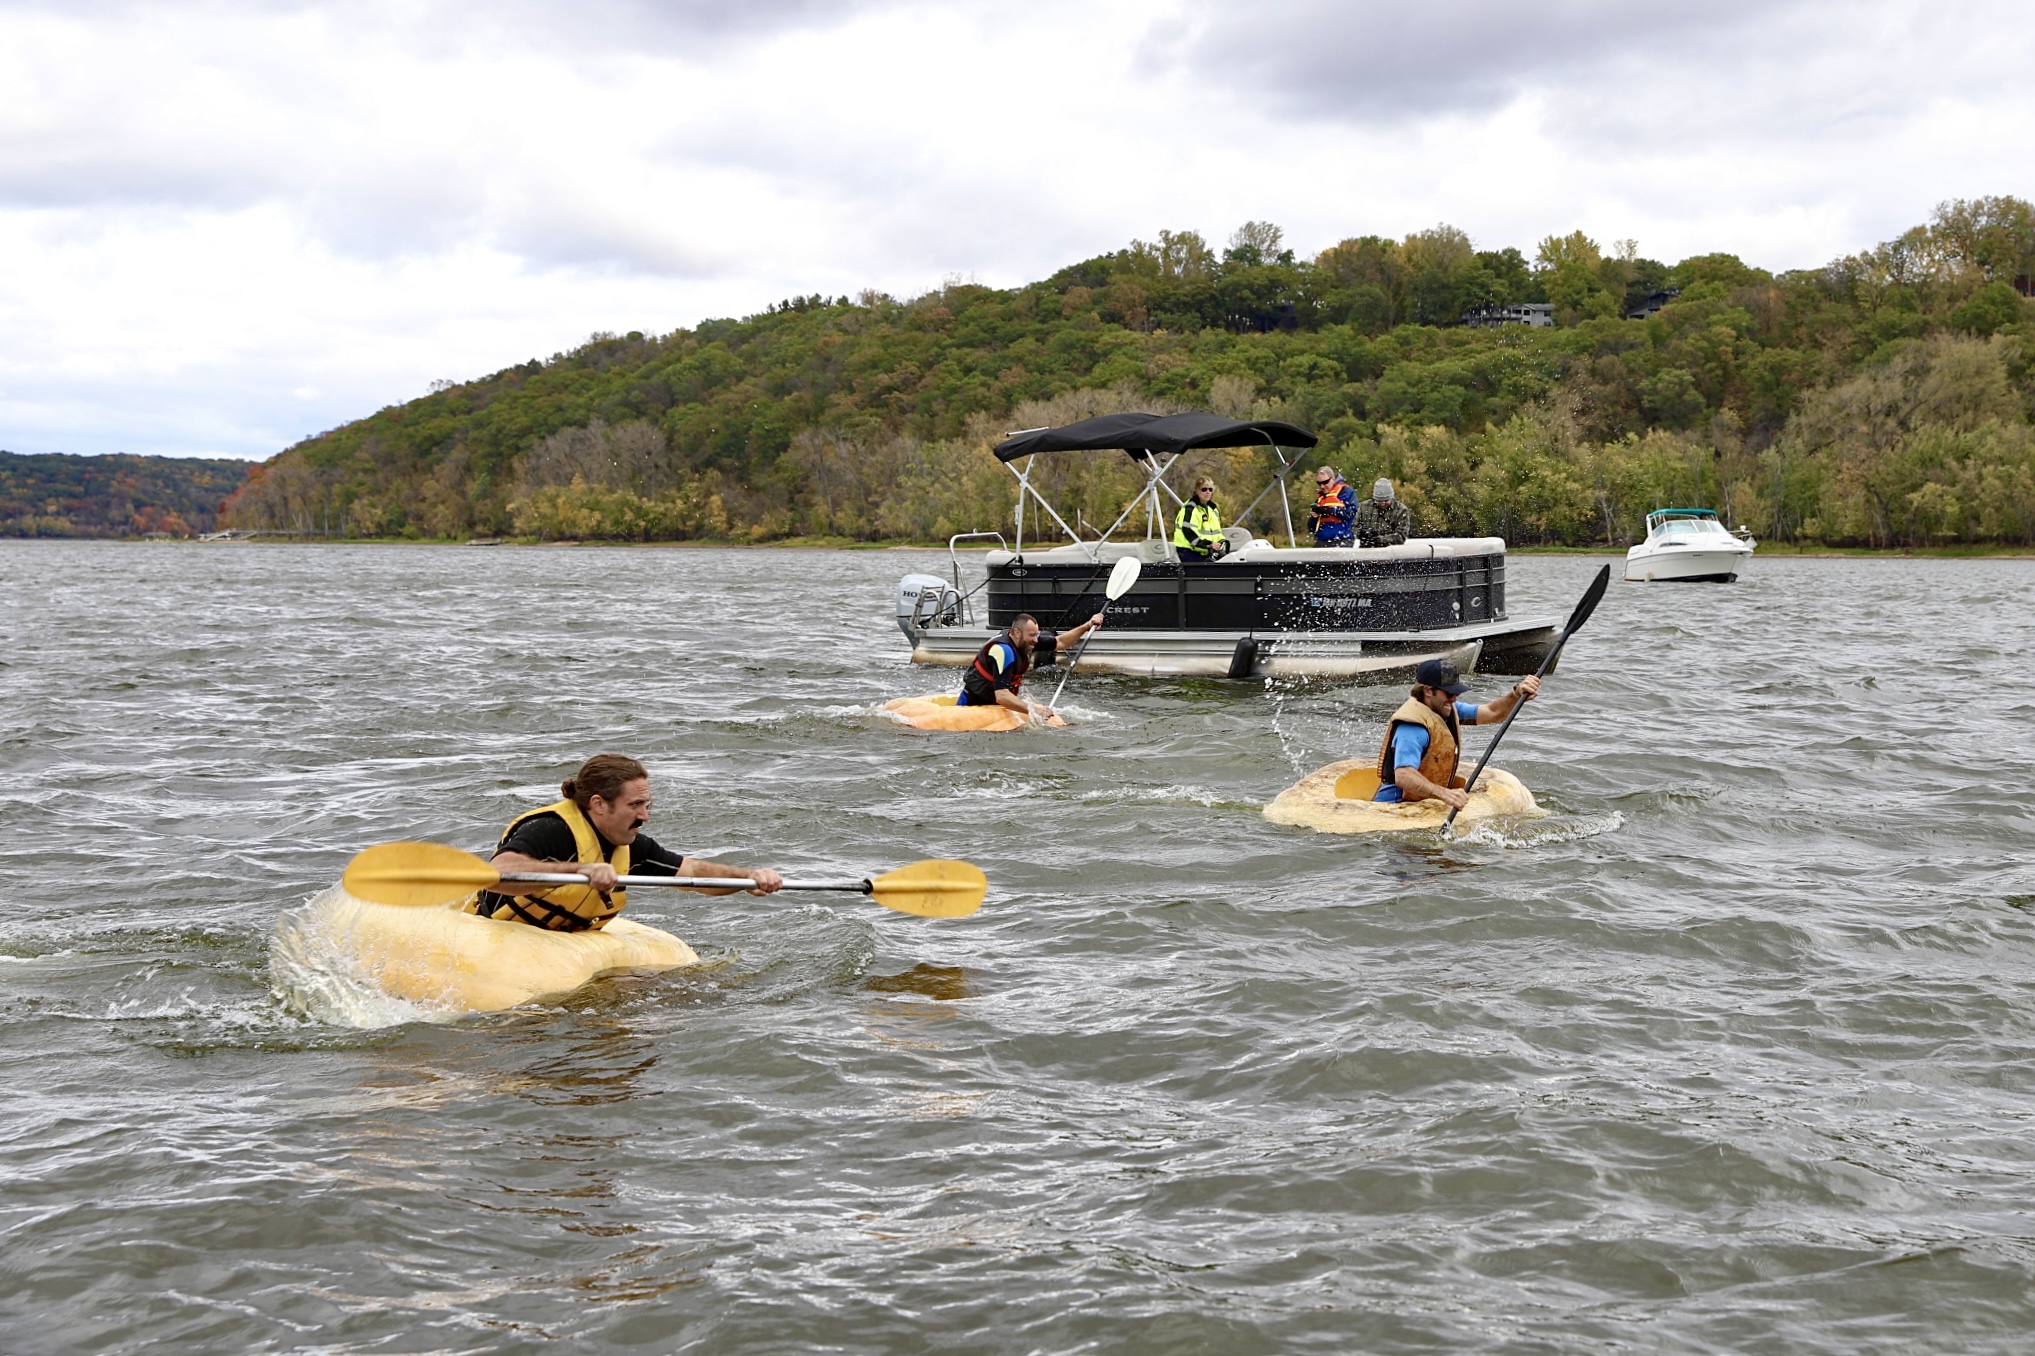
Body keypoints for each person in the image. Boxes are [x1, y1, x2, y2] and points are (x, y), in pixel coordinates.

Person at [469, 754, 783, 931]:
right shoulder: (549, 830)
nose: (645, 816)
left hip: (561, 940)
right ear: (598, 804)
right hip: (495, 930)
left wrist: (747, 878)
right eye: (635, 806)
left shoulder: (632, 846)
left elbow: (695, 874)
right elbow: (499, 873)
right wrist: (582, 869)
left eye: (648, 805)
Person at [1373, 659, 1541, 806]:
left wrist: (1516, 693)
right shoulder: (1412, 728)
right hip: (1393, 807)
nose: (1454, 698)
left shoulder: (1446, 708)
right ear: (1428, 691)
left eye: (1456, 692)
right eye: (1449, 692)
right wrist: (1444, 793)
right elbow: (1403, 776)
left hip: (1422, 803)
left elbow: (1492, 712)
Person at [958, 610, 1105, 722]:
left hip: (996, 705)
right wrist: (1033, 709)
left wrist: (1087, 626)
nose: (1036, 640)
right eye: (1032, 635)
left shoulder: (1026, 642)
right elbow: (1002, 696)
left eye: (1037, 635)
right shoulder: (1003, 651)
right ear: (1017, 633)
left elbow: (1061, 642)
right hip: (972, 706)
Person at [1172, 476, 1228, 560]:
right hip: (1188, 551)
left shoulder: (1212, 510)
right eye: (1204, 489)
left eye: (1210, 489)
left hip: (1205, 551)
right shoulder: (1190, 509)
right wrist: (1209, 544)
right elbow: (1188, 532)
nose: (1207, 492)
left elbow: (1217, 533)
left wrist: (1222, 543)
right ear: (1196, 491)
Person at [1305, 466, 1358, 546]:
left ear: (1333, 479)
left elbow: (1352, 514)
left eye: (1325, 482)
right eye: (1319, 483)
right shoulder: (1320, 499)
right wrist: (1314, 517)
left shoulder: (1346, 492)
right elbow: (1311, 528)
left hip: (1343, 540)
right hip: (1322, 541)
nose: (1322, 486)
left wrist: (1330, 510)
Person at [1355, 477, 1412, 548]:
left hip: (1391, 552)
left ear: (1392, 497)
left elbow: (1401, 536)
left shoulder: (1401, 510)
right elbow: (1354, 527)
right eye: (1379, 501)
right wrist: (1362, 533)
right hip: (1366, 550)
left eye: (1386, 501)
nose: (1383, 503)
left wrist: (1380, 539)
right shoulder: (1363, 507)